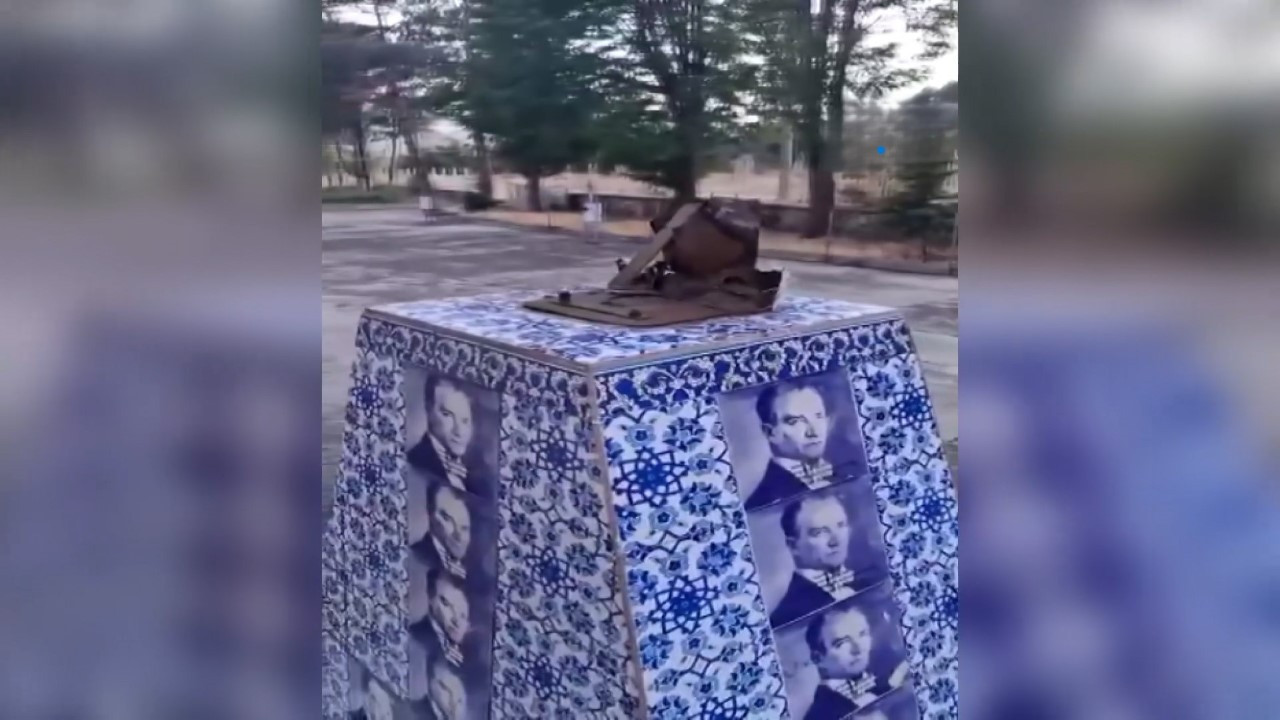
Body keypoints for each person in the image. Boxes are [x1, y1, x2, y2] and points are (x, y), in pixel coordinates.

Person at [804, 605, 910, 720]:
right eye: (842, 643)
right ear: (818, 658)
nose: (858, 649)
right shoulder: (820, 713)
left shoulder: (888, 681)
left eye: (862, 634)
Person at [771, 495, 859, 627]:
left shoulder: (869, 580)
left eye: (840, 526)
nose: (835, 541)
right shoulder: (786, 616)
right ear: (794, 546)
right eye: (819, 532)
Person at [746, 382, 836, 509]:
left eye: (818, 416)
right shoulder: (764, 502)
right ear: (770, 433)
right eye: (795, 421)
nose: (813, 432)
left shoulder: (842, 475)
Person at [407, 376, 480, 495]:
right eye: (447, 415)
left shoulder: (478, 473)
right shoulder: (415, 462)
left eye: (465, 420)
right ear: (429, 411)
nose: (459, 432)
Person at [430, 484, 472, 579]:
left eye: (464, 528)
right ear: (433, 517)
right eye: (448, 519)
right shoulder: (418, 559)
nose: (458, 536)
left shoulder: (473, 570)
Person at [430, 575, 471, 666]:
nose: (456, 620)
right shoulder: (418, 637)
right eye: (446, 604)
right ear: (431, 600)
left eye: (462, 616)